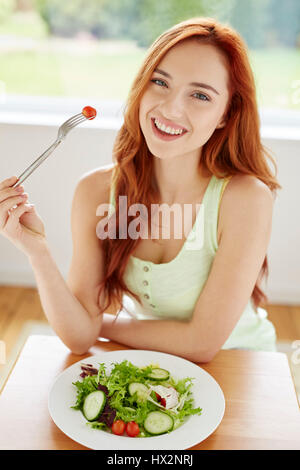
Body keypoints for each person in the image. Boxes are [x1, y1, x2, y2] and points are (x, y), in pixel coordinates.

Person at [0, 17, 281, 361]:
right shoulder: (96, 192)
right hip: (157, 359)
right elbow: (76, 339)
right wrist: (37, 252)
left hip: (240, 361)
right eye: (160, 82)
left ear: (226, 114)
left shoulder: (246, 199)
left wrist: (99, 325)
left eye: (199, 95)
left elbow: (203, 343)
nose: (171, 108)